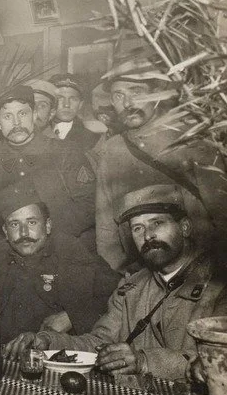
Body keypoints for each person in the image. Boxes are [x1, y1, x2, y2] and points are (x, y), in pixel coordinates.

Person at [5, 185, 227, 381]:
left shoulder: (218, 285)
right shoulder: (133, 287)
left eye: (157, 223)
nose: (148, 236)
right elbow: (99, 343)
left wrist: (144, 361)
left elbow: (218, 363)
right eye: (137, 228)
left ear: (185, 227)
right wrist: (46, 341)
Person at [91, 58, 227, 273]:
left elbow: (221, 211)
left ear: (156, 96)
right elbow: (106, 225)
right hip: (142, 272)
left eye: (137, 92)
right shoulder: (111, 150)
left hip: (199, 266)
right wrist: (118, 274)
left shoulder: (190, 138)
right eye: (119, 95)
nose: (128, 104)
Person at [0, 185, 119, 343]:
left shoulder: (69, 250)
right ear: (5, 232)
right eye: (15, 224)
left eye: (32, 223)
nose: (24, 233)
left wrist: (72, 316)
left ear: (47, 226)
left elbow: (117, 293)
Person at [0, 85, 97, 250]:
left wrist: (43, 239)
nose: (16, 123)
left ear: (34, 114)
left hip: (67, 248)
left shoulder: (65, 152)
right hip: (15, 252)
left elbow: (88, 205)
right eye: (7, 116)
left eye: (22, 113)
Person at [48, 73, 105, 152]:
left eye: (73, 99)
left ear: (80, 104)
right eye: (60, 98)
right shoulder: (38, 132)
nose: (67, 104)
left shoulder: (93, 140)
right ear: (50, 102)